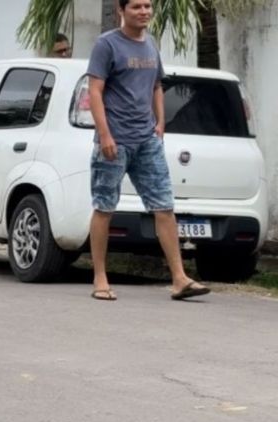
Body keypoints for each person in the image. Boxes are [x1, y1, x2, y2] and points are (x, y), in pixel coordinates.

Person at [86, 0, 210, 301]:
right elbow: (95, 91)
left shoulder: (151, 45)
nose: (144, 12)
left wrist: (160, 122)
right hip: (114, 141)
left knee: (164, 207)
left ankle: (179, 278)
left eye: (147, 6)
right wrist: (105, 134)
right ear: (121, 10)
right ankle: (100, 278)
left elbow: (156, 85)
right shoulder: (107, 44)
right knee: (104, 206)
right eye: (136, 7)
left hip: (147, 141)